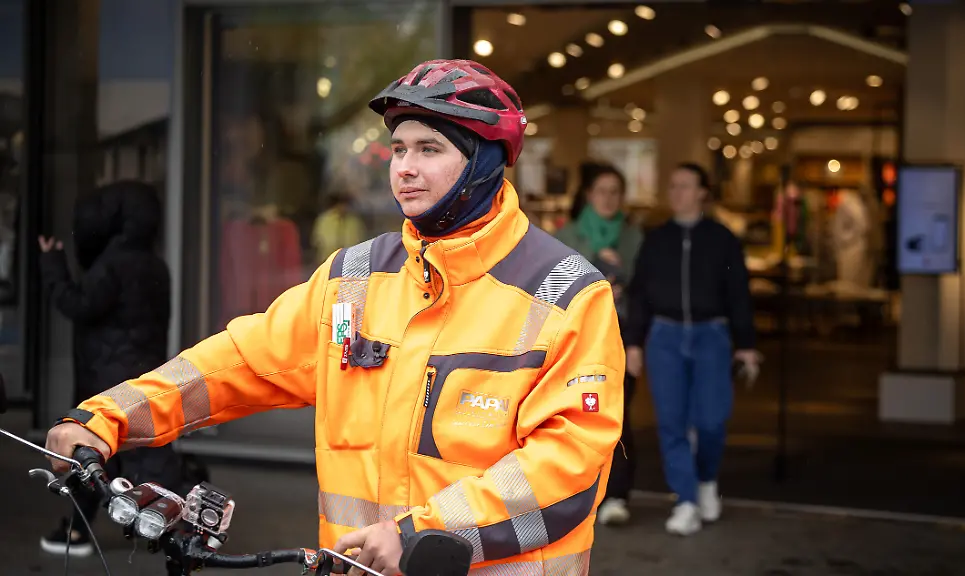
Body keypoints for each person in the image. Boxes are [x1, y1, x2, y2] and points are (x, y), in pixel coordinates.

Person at [45, 59, 624, 576]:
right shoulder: (355, 274)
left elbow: (567, 465)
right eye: (399, 148)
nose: (405, 168)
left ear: (486, 162)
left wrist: (420, 534)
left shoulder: (567, 293)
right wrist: (107, 418)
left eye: (430, 149)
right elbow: (239, 362)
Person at [37, 181, 183, 556]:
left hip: (104, 375)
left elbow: (78, 304)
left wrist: (53, 265)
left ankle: (79, 530)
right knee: (142, 454)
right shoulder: (156, 264)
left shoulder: (114, 264)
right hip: (143, 372)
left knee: (92, 451)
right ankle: (167, 525)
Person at [624, 162, 761, 537]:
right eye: (673, 186)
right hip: (664, 337)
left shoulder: (723, 239)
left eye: (685, 186)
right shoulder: (656, 239)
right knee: (671, 422)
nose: (677, 192)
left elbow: (739, 295)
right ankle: (685, 500)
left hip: (711, 336)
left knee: (712, 420)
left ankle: (705, 481)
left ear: (703, 192)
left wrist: (746, 344)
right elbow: (640, 294)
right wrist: (634, 341)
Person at [556, 162, 642, 526]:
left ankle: (617, 496)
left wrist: (624, 281)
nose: (609, 198)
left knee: (617, 419)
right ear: (588, 195)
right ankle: (578, 494)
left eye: (615, 192)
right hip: (579, 342)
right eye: (602, 191)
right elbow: (555, 287)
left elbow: (648, 293)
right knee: (575, 417)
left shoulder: (635, 237)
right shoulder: (567, 236)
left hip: (621, 340)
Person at [311, 192, 367, 264]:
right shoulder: (324, 220)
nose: (345, 207)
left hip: (351, 261)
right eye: (342, 204)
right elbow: (317, 241)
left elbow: (360, 240)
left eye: (347, 204)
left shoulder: (354, 221)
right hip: (328, 259)